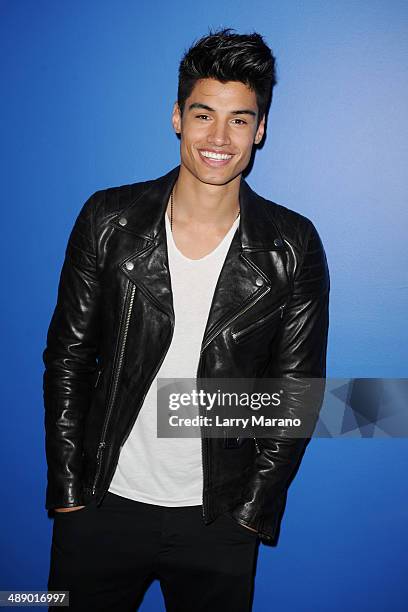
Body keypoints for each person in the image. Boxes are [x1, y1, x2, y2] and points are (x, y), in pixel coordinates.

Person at [43, 27, 330, 612]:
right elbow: (67, 359)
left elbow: (296, 392)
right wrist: (69, 491)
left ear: (261, 129)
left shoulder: (291, 245)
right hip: (101, 507)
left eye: (240, 119)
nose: (219, 137)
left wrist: (249, 513)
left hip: (218, 521)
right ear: (177, 117)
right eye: (204, 115)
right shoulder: (108, 220)